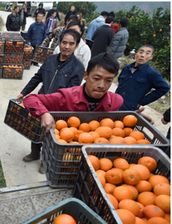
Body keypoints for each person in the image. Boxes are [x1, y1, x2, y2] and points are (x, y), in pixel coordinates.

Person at [16, 29, 85, 163]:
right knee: (36, 128)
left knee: (51, 134)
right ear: (59, 43)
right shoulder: (50, 59)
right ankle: (35, 153)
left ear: (76, 46)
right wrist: (24, 92)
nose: (67, 46)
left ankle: (45, 161)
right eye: (64, 42)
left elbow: (72, 92)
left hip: (59, 107)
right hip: (42, 101)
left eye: (71, 44)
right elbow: (37, 77)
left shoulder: (78, 67)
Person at [23, 53, 123, 133]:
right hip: (65, 147)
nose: (102, 85)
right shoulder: (67, 97)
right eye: (96, 78)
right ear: (86, 75)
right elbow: (30, 99)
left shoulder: (116, 101)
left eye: (108, 80)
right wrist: (44, 114)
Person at [115, 45, 170, 111]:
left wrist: (142, 102)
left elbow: (164, 88)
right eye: (141, 52)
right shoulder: (126, 68)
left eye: (147, 53)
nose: (142, 55)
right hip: (115, 103)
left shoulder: (152, 73)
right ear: (136, 54)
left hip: (129, 108)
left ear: (151, 57)